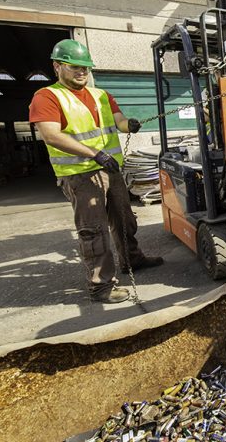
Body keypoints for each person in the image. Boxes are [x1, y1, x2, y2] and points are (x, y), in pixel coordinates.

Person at [29, 39, 163, 303]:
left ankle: (131, 260)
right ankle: (101, 286)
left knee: (124, 219)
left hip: (110, 170)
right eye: (75, 67)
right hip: (81, 175)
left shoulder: (101, 95)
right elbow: (51, 135)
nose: (82, 72)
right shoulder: (47, 97)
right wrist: (95, 154)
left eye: (85, 68)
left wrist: (129, 125)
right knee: (94, 230)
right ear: (57, 67)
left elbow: (118, 121)